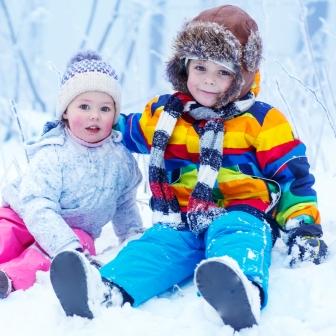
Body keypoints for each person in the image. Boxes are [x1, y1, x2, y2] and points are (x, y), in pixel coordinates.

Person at [49, 5, 327, 331]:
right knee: (157, 245)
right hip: (181, 218)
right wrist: (86, 123)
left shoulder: (263, 121)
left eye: (223, 72)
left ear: (243, 76)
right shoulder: (165, 115)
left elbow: (292, 176)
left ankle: (240, 290)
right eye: (200, 68)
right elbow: (129, 130)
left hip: (242, 213)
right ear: (184, 67)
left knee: (237, 236)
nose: (209, 80)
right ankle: (104, 290)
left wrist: (302, 226)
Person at [0, 51, 143, 299]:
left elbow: (124, 203)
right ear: (65, 111)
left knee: (66, 256)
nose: (94, 115)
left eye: (105, 108)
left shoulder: (121, 160)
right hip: (22, 214)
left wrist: (132, 235)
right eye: (84, 106)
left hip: (74, 231)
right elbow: (36, 205)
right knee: (6, 235)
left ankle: (8, 278)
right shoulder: (54, 152)